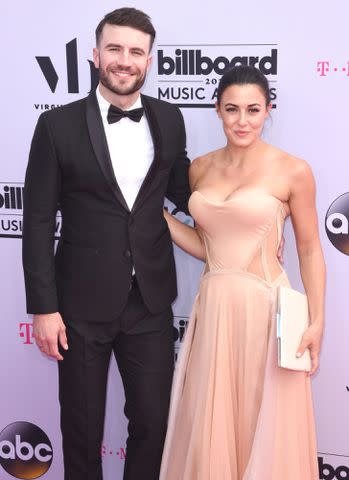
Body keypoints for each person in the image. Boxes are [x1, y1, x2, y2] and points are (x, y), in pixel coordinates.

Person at [22, 7, 190, 480]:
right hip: (77, 308)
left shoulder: (170, 119)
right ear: (96, 55)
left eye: (136, 52)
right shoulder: (56, 126)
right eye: (115, 49)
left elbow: (186, 192)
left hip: (150, 303)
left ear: (149, 61)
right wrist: (43, 308)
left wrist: (253, 217)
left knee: (154, 424)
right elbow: (36, 221)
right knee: (81, 430)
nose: (125, 60)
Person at [159, 65, 325, 480]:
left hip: (266, 312)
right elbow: (208, 247)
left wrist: (318, 320)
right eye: (232, 109)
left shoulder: (293, 170)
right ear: (217, 110)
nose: (242, 120)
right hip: (214, 310)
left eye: (253, 109)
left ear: (268, 110)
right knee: (212, 424)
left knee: (260, 421)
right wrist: (156, 217)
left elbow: (308, 247)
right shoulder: (200, 168)